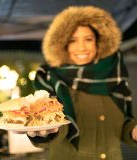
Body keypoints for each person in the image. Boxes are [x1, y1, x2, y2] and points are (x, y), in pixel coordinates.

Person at [26, 6, 137, 160]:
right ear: (63, 45)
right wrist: (45, 131)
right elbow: (55, 125)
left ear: (99, 42)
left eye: (88, 39)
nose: (81, 47)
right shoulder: (51, 79)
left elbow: (125, 124)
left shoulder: (115, 77)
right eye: (72, 40)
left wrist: (133, 131)